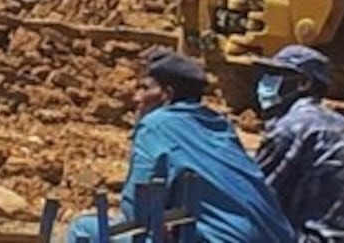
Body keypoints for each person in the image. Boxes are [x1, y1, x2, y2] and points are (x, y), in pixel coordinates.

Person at [65, 50, 294, 243]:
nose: (137, 97)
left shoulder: (156, 125)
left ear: (167, 95)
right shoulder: (220, 125)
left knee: (83, 229)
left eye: (145, 88)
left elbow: (136, 211)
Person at [253, 45, 344, 240]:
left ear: (304, 83)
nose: (265, 83)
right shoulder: (343, 124)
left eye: (276, 75)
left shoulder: (291, 128)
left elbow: (257, 193)